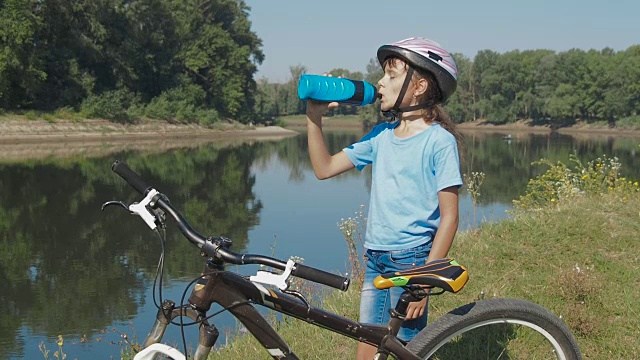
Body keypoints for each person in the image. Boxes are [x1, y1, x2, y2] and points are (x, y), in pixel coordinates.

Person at [305, 37, 463, 359]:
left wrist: (424, 281)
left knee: (407, 347)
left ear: (418, 87)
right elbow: (324, 168)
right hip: (375, 256)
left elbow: (450, 217)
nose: (380, 82)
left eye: (391, 76)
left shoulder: (439, 142)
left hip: (412, 260)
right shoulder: (381, 136)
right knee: (367, 344)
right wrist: (314, 118)